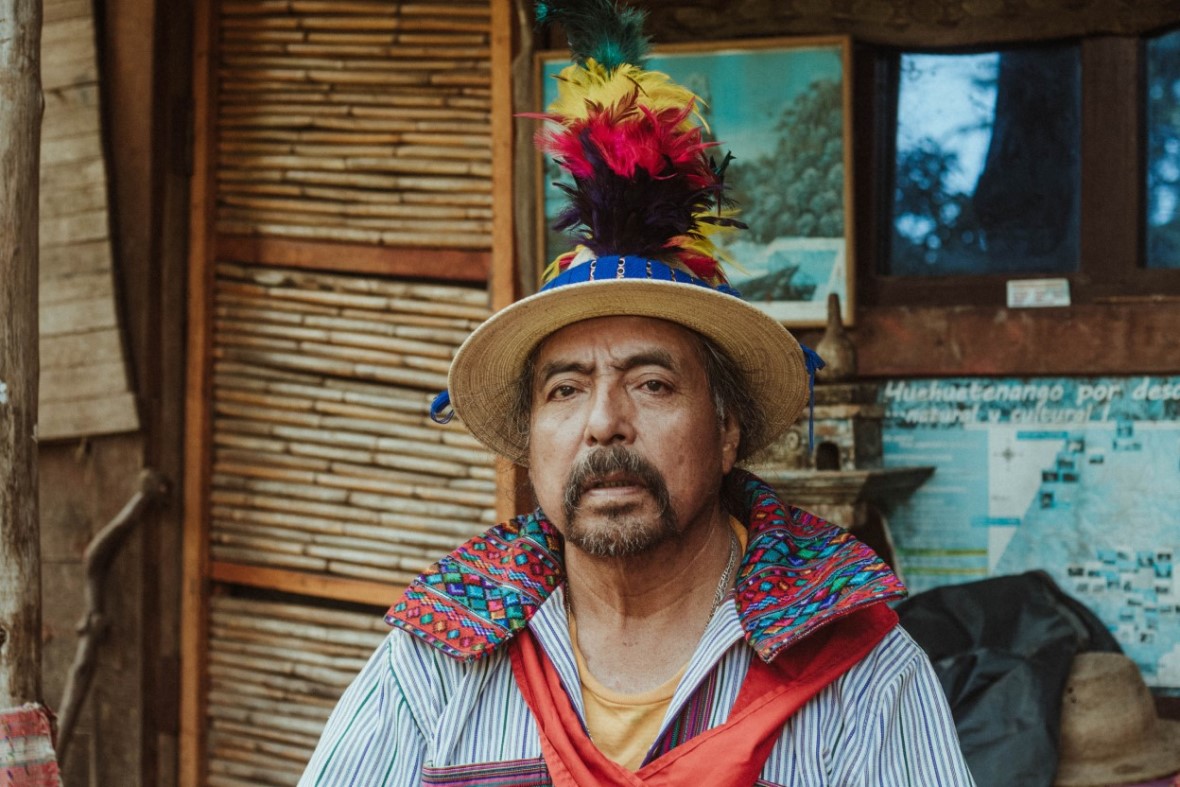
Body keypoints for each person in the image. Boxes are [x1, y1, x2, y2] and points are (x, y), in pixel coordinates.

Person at [300, 1, 976, 784]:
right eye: (564, 389)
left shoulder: (858, 672)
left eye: (652, 383)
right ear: (528, 437)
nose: (604, 423)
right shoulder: (439, 662)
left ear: (726, 429)